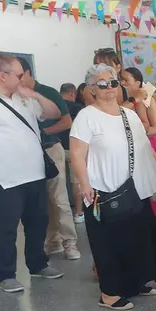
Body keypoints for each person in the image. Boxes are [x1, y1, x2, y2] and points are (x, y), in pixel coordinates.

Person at [0, 54, 64, 293]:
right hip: (3, 178)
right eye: (19, 75)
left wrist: (34, 95)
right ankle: (5, 274)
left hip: (34, 175)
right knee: (5, 229)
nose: (23, 78)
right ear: (3, 75)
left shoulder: (23, 98)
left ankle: (37, 264)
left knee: (38, 223)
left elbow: (54, 113)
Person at [70, 64, 156, 311]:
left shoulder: (130, 115)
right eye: (101, 84)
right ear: (92, 88)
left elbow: (145, 150)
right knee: (108, 243)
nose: (109, 89)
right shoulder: (87, 117)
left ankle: (135, 283)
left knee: (137, 237)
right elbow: (77, 154)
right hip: (102, 189)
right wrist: (84, 184)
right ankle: (110, 293)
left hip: (133, 188)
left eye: (113, 83)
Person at [18, 58, 80, 260]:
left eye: (20, 76)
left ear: (28, 73)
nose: (17, 80)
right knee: (42, 201)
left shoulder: (48, 93)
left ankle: (70, 242)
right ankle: (52, 241)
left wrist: (42, 132)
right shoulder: (15, 96)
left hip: (51, 150)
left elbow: (66, 121)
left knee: (59, 198)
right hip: (29, 154)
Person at [120, 67, 156, 244]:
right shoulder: (125, 101)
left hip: (148, 147)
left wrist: (136, 133)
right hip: (134, 148)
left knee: (152, 188)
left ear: (137, 82)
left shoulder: (146, 100)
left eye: (126, 80)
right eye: (121, 80)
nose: (122, 83)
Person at [60, 82, 86, 223]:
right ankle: (79, 213)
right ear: (72, 93)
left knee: (59, 184)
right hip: (73, 149)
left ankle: (62, 216)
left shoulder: (55, 106)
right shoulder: (77, 108)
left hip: (57, 148)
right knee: (76, 182)